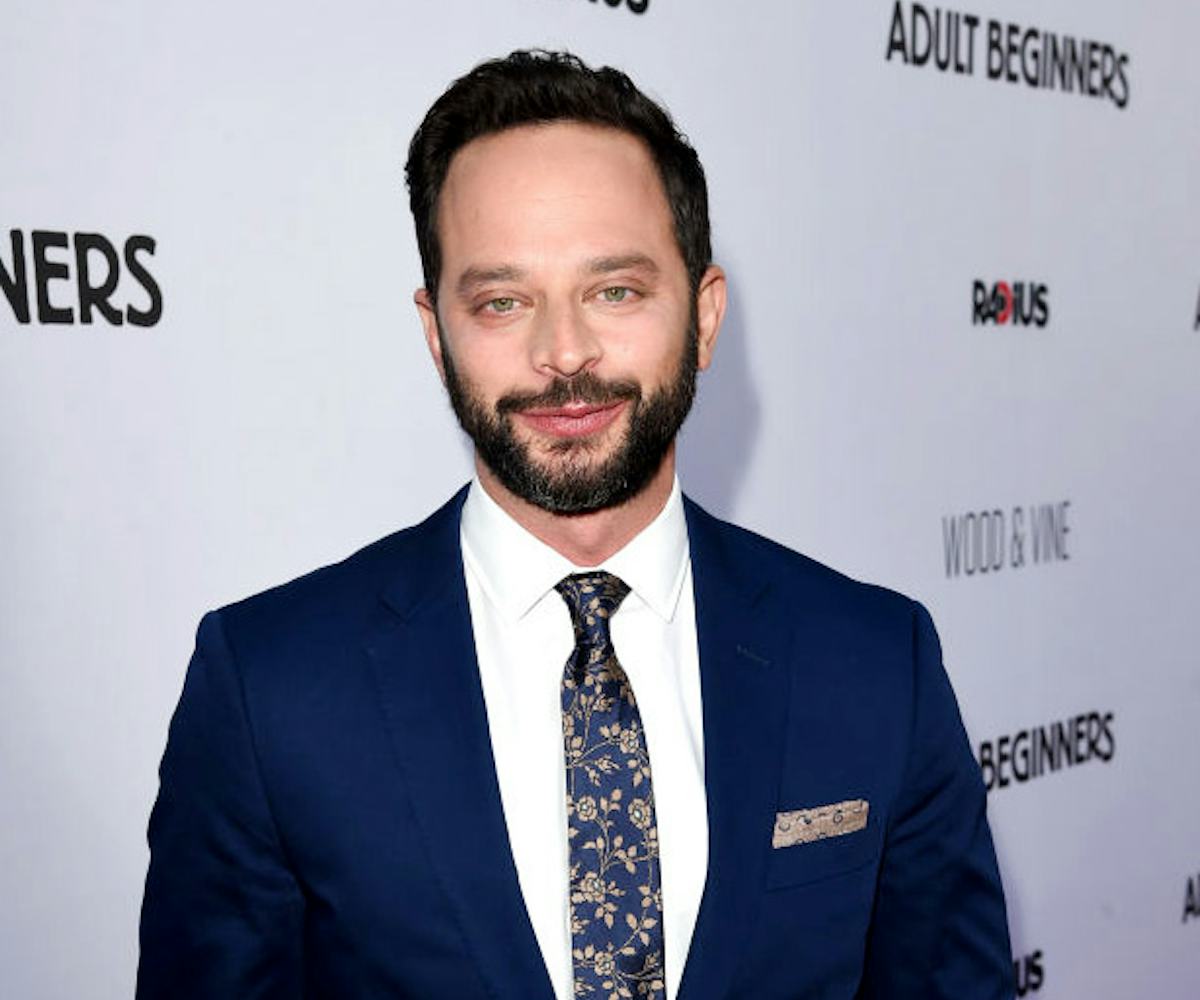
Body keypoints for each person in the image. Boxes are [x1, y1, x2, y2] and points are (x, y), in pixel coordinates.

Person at [138, 49, 1012, 1000]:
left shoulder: (878, 664)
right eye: (502, 301)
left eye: (615, 291)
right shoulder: (271, 689)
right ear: (438, 335)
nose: (563, 354)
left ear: (705, 315)